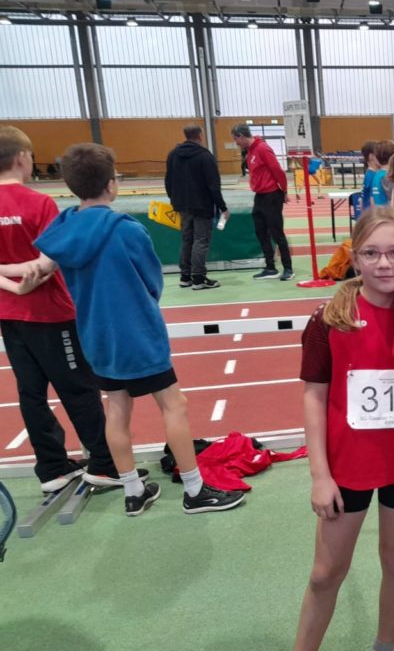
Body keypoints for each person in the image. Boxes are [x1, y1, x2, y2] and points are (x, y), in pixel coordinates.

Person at [246, 208, 394, 651]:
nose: (384, 264)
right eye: (372, 253)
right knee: (326, 572)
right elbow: (314, 397)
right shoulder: (330, 318)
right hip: (348, 466)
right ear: (354, 256)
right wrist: (319, 474)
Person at [1, 143, 245, 517]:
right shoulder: (127, 229)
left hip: (94, 335)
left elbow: (37, 267)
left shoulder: (63, 228)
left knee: (116, 407)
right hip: (138, 332)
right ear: (111, 185)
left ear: (71, 186)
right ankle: (195, 491)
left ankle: (133, 491)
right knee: (173, 405)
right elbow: (152, 283)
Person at [0, 126, 126, 494]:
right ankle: (105, 464)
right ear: (22, 158)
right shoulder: (39, 203)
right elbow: (47, 263)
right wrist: (25, 285)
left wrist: (12, 287)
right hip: (50, 313)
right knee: (79, 388)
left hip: (10, 314)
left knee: (31, 392)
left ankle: (52, 467)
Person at [164, 124, 228, 291]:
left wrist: (175, 201)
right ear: (200, 136)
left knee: (187, 239)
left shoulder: (173, 155)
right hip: (201, 205)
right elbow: (213, 185)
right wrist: (222, 207)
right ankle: (198, 278)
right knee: (201, 240)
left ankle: (185, 276)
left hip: (182, 205)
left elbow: (168, 181)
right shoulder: (205, 156)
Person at [231, 123, 293, 281]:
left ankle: (288, 268)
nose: (235, 143)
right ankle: (270, 267)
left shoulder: (262, 148)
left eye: (236, 140)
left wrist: (284, 191)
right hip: (259, 196)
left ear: (241, 136)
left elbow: (277, 171)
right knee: (260, 232)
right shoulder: (250, 151)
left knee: (277, 233)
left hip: (272, 195)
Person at [370, 140, 394, 207]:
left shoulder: (376, 175)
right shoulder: (388, 176)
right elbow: (393, 200)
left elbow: (372, 200)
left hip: (378, 211)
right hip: (387, 212)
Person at [356, 140, 378, 220]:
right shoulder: (372, 176)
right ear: (371, 156)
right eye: (378, 154)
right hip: (372, 217)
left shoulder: (370, 174)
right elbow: (372, 200)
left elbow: (361, 200)